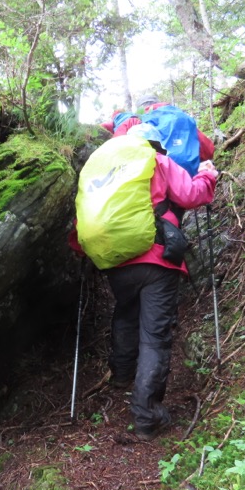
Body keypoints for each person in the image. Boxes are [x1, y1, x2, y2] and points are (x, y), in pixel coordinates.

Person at [72, 123, 217, 441]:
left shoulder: (105, 170)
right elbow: (192, 194)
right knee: (154, 336)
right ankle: (146, 417)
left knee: (126, 311)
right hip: (156, 259)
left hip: (114, 261)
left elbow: (83, 221)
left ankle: (122, 375)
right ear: (154, 143)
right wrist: (207, 174)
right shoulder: (156, 160)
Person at [100, 94, 216, 165]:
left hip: (160, 176)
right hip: (189, 176)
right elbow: (208, 149)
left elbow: (117, 146)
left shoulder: (137, 120)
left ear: (140, 108)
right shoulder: (181, 116)